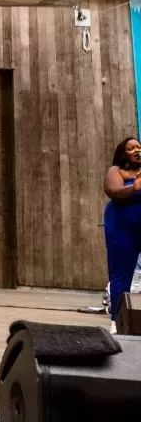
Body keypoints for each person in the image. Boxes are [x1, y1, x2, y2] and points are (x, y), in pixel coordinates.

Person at [103, 136, 141, 332]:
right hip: (122, 226)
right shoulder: (116, 171)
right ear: (123, 153)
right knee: (121, 275)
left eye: (138, 147)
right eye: (131, 148)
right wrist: (133, 189)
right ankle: (117, 320)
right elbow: (112, 190)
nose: (136, 150)